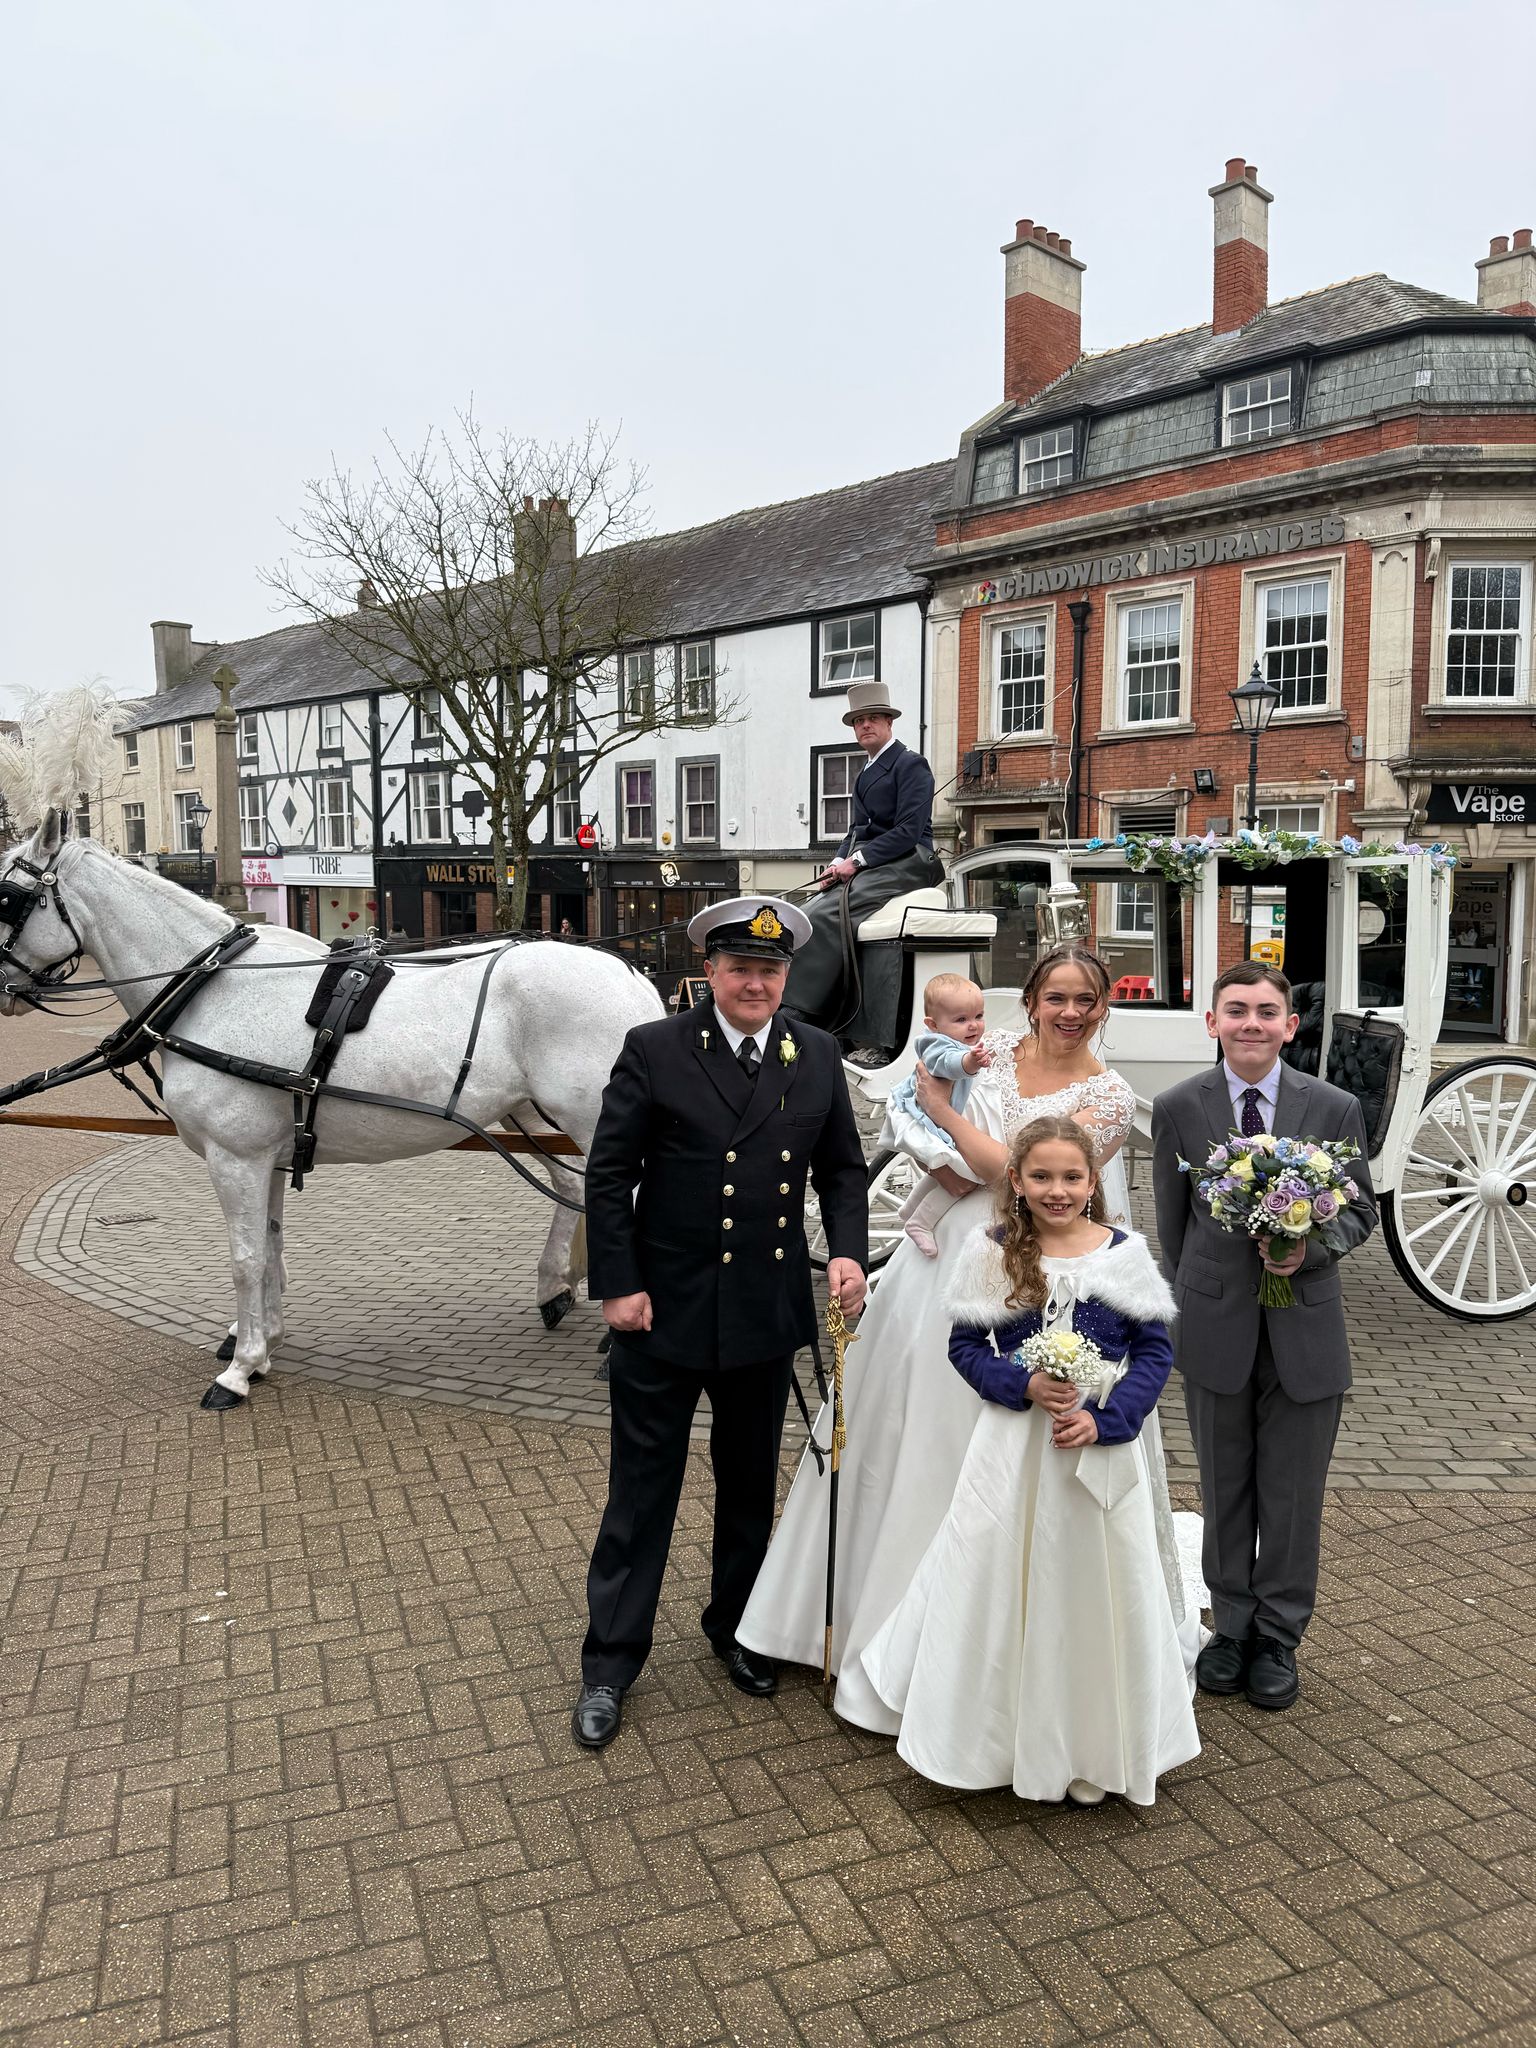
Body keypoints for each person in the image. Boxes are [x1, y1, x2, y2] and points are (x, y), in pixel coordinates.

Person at [738, 943, 1166, 1735]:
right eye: (1056, 996)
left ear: (1103, 1009)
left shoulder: (1110, 1095)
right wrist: (926, 1114)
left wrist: (940, 1113)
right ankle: (836, 1617)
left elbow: (1028, 1175)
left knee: (984, 1441)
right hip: (943, 1259)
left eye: (1087, 1001)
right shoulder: (991, 1045)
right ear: (1031, 999)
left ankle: (969, 1638)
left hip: (1025, 1262)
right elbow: (924, 1082)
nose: (1070, 1012)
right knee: (898, 1427)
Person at [573, 896, 869, 1750]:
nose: (756, 983)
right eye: (740, 968)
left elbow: (843, 1172)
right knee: (641, 1492)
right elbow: (609, 1174)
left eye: (770, 970)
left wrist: (846, 1250)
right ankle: (610, 1662)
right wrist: (617, 1284)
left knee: (747, 1489)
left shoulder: (812, 1053)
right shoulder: (656, 1049)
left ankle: (737, 1629)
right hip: (661, 1310)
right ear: (708, 971)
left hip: (762, 1312)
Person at [862, 1118, 1199, 1806]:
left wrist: (1109, 1419)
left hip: (1097, 1442)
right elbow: (964, 1348)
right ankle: (993, 1733)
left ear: (1092, 1182)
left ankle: (1091, 1738)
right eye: (1041, 1177)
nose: (1057, 1190)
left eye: (1072, 1177)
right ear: (1016, 1181)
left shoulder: (1125, 1252)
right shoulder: (994, 1252)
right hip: (1014, 1447)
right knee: (1000, 1563)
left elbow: (1156, 1354)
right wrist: (1022, 1385)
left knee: (1089, 1577)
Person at [1152, 962, 1377, 1713]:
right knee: (1224, 1484)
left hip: (1306, 1330)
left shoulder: (1335, 1107)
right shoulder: (1181, 1107)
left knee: (1291, 1492)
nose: (1252, 1022)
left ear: (1291, 1025)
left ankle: (1279, 1635)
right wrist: (1203, 1299)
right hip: (1218, 1326)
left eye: (1267, 1011)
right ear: (1212, 1022)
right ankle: (1233, 1626)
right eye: (1236, 1010)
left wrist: (1303, 1249)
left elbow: (1358, 1213)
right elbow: (1173, 1227)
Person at [780, 681, 942, 1032]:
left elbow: (908, 831)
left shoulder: (911, 764)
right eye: (858, 721)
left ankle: (803, 1011)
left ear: (888, 723)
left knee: (826, 915)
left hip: (910, 861)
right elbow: (855, 830)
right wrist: (836, 862)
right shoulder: (865, 772)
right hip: (877, 861)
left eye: (872, 718)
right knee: (810, 907)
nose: (865, 725)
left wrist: (857, 862)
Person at [881, 973, 994, 1256]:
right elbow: (947, 1064)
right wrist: (971, 1061)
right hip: (925, 1119)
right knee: (968, 1177)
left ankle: (910, 1209)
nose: (973, 1025)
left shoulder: (957, 1041)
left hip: (932, 1117)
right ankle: (921, 1221)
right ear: (933, 1024)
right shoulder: (937, 1044)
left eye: (978, 1015)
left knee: (945, 1171)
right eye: (961, 1019)